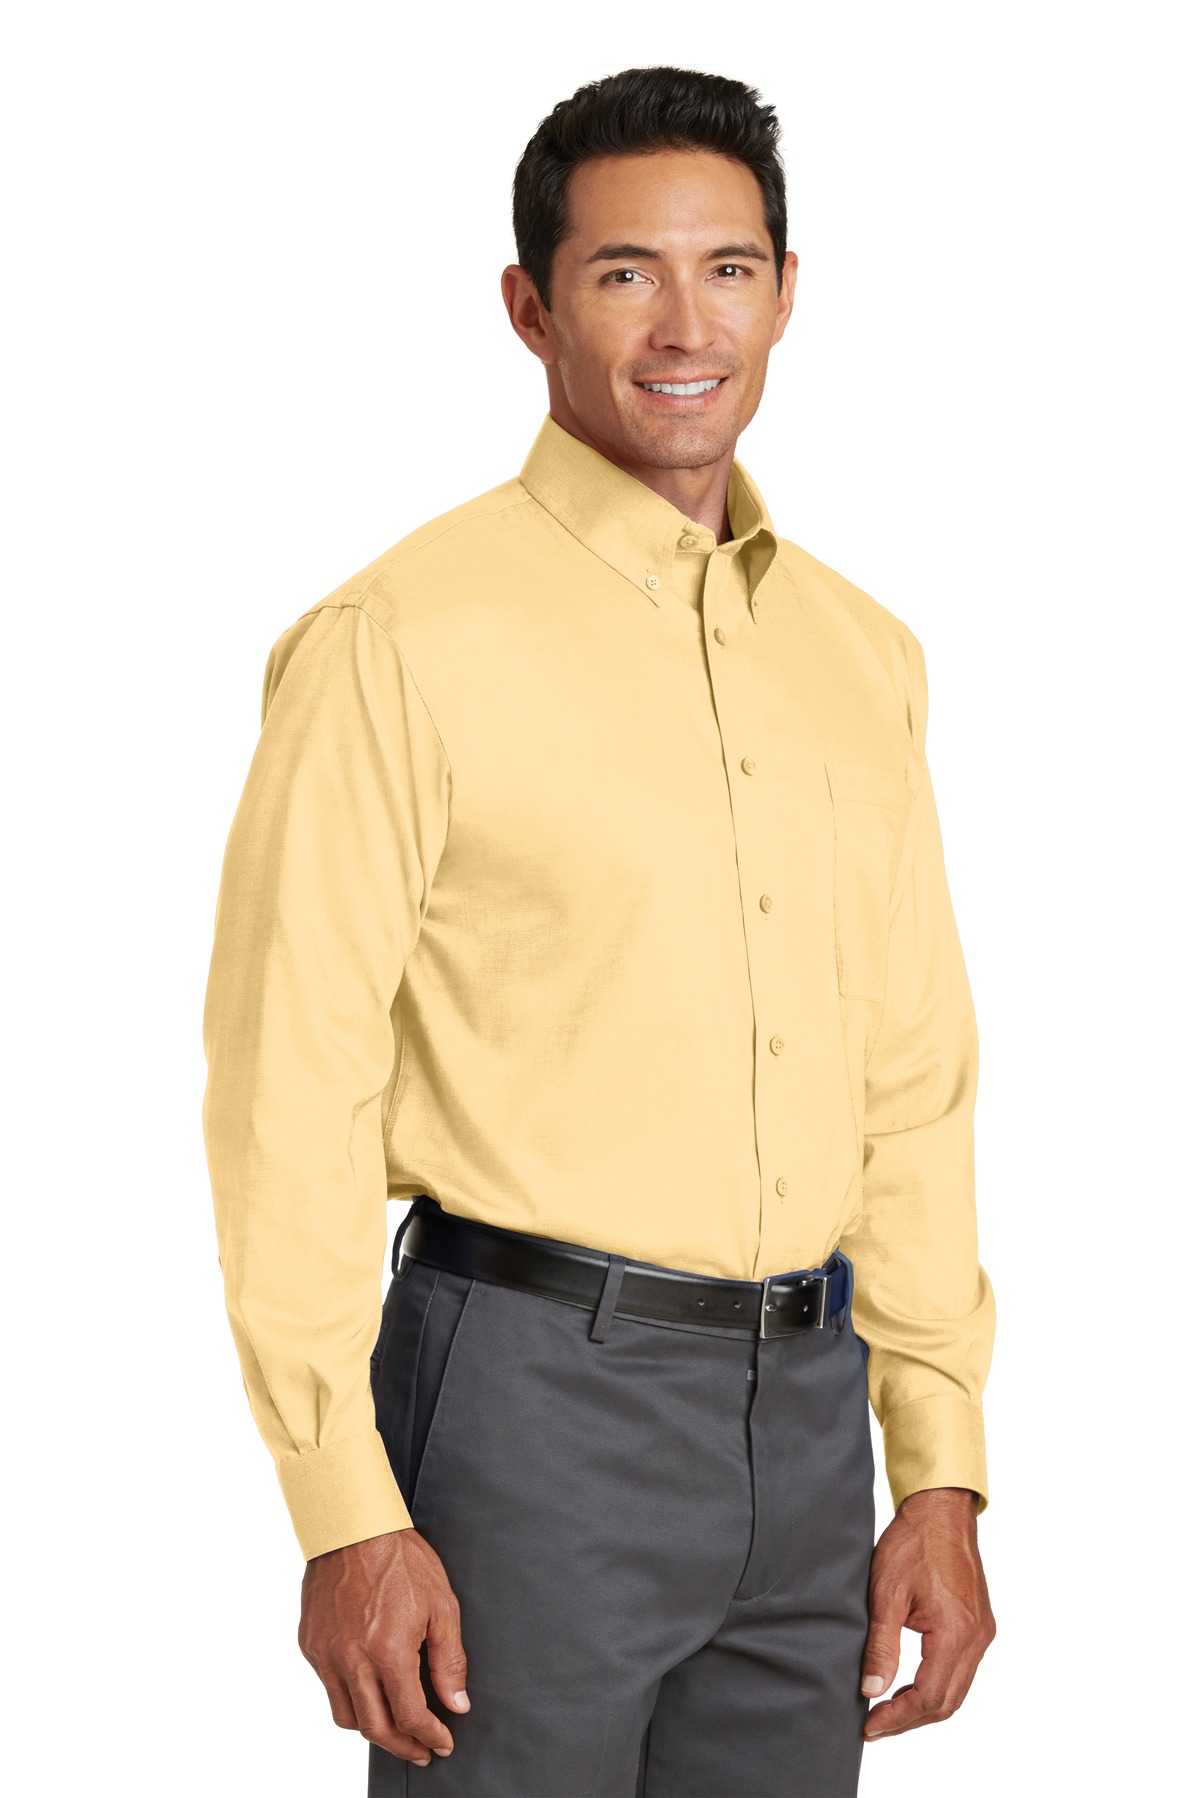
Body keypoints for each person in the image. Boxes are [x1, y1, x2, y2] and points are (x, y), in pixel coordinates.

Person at [201, 64, 997, 1797]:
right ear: (531, 307)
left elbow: (912, 1081)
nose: (685, 325)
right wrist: (344, 1507)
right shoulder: (398, 640)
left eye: (728, 269)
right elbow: (290, 1088)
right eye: (625, 272)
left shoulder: (862, 657)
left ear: (787, 292)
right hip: (528, 1403)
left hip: (811, 1417)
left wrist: (938, 1463)